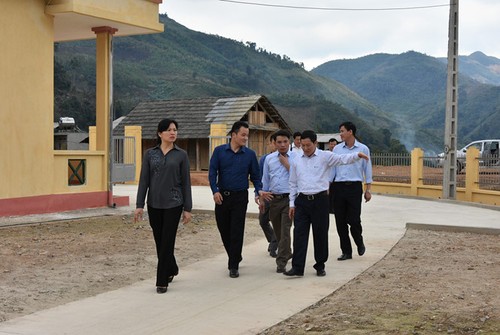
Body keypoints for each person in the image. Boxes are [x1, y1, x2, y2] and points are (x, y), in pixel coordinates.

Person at [284, 130, 369, 277]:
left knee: (320, 234)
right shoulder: (296, 159)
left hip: (320, 201)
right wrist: (292, 203)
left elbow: (342, 159)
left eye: (308, 145)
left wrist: (357, 155)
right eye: (303, 145)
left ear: (315, 143)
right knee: (299, 234)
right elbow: (292, 183)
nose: (305, 148)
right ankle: (297, 267)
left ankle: (320, 265)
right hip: (302, 201)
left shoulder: (325, 156)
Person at [134, 118, 192, 294]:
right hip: (154, 204)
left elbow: (186, 183)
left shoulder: (181, 155)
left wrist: (187, 208)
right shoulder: (150, 154)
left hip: (174, 204)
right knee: (160, 241)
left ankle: (161, 281)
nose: (173, 132)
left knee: (167, 240)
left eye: (175, 129)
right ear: (160, 133)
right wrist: (139, 205)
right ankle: (172, 267)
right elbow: (144, 181)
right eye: (168, 130)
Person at [208, 121, 262, 278]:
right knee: (224, 229)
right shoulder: (219, 151)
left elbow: (256, 177)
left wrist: (258, 191)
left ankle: (233, 265)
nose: (245, 138)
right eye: (243, 135)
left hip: (240, 197)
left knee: (237, 230)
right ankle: (235, 255)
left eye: (247, 135)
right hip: (222, 197)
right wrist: (215, 190)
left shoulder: (250, 154)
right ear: (233, 135)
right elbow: (212, 172)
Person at [331, 121, 373, 261]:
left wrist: (368, 189)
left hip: (354, 188)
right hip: (338, 187)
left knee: (354, 219)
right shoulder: (336, 149)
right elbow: (333, 168)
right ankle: (346, 251)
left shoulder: (363, 148)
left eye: (342, 131)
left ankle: (359, 241)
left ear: (350, 132)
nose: (340, 134)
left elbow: (368, 169)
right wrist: (328, 186)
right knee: (340, 221)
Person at [260, 129, 294, 273]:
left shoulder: (296, 157)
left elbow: (299, 176)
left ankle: (281, 262)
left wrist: (286, 164)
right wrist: (262, 198)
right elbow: (265, 180)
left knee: (285, 230)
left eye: (285, 141)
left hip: (289, 199)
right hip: (274, 199)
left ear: (289, 142)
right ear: (274, 143)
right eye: (279, 142)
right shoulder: (269, 159)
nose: (282, 145)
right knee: (279, 232)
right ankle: (287, 251)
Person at [259, 135, 278, 258]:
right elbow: (260, 178)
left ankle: (274, 245)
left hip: (280, 196)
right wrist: (259, 195)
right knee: (263, 220)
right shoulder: (264, 159)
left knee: (278, 222)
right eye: (273, 143)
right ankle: (273, 240)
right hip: (266, 195)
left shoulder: (288, 157)